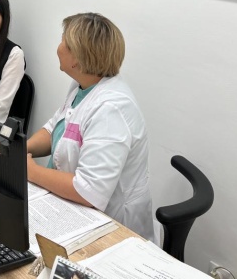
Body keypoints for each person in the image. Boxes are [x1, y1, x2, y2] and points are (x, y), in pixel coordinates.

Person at [26, 13, 155, 242]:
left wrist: (32, 172)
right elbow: (55, 128)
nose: (58, 48)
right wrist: (21, 149)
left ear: (77, 58)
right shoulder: (82, 86)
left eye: (63, 41)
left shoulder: (111, 109)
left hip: (112, 229)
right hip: (67, 207)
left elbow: (89, 190)